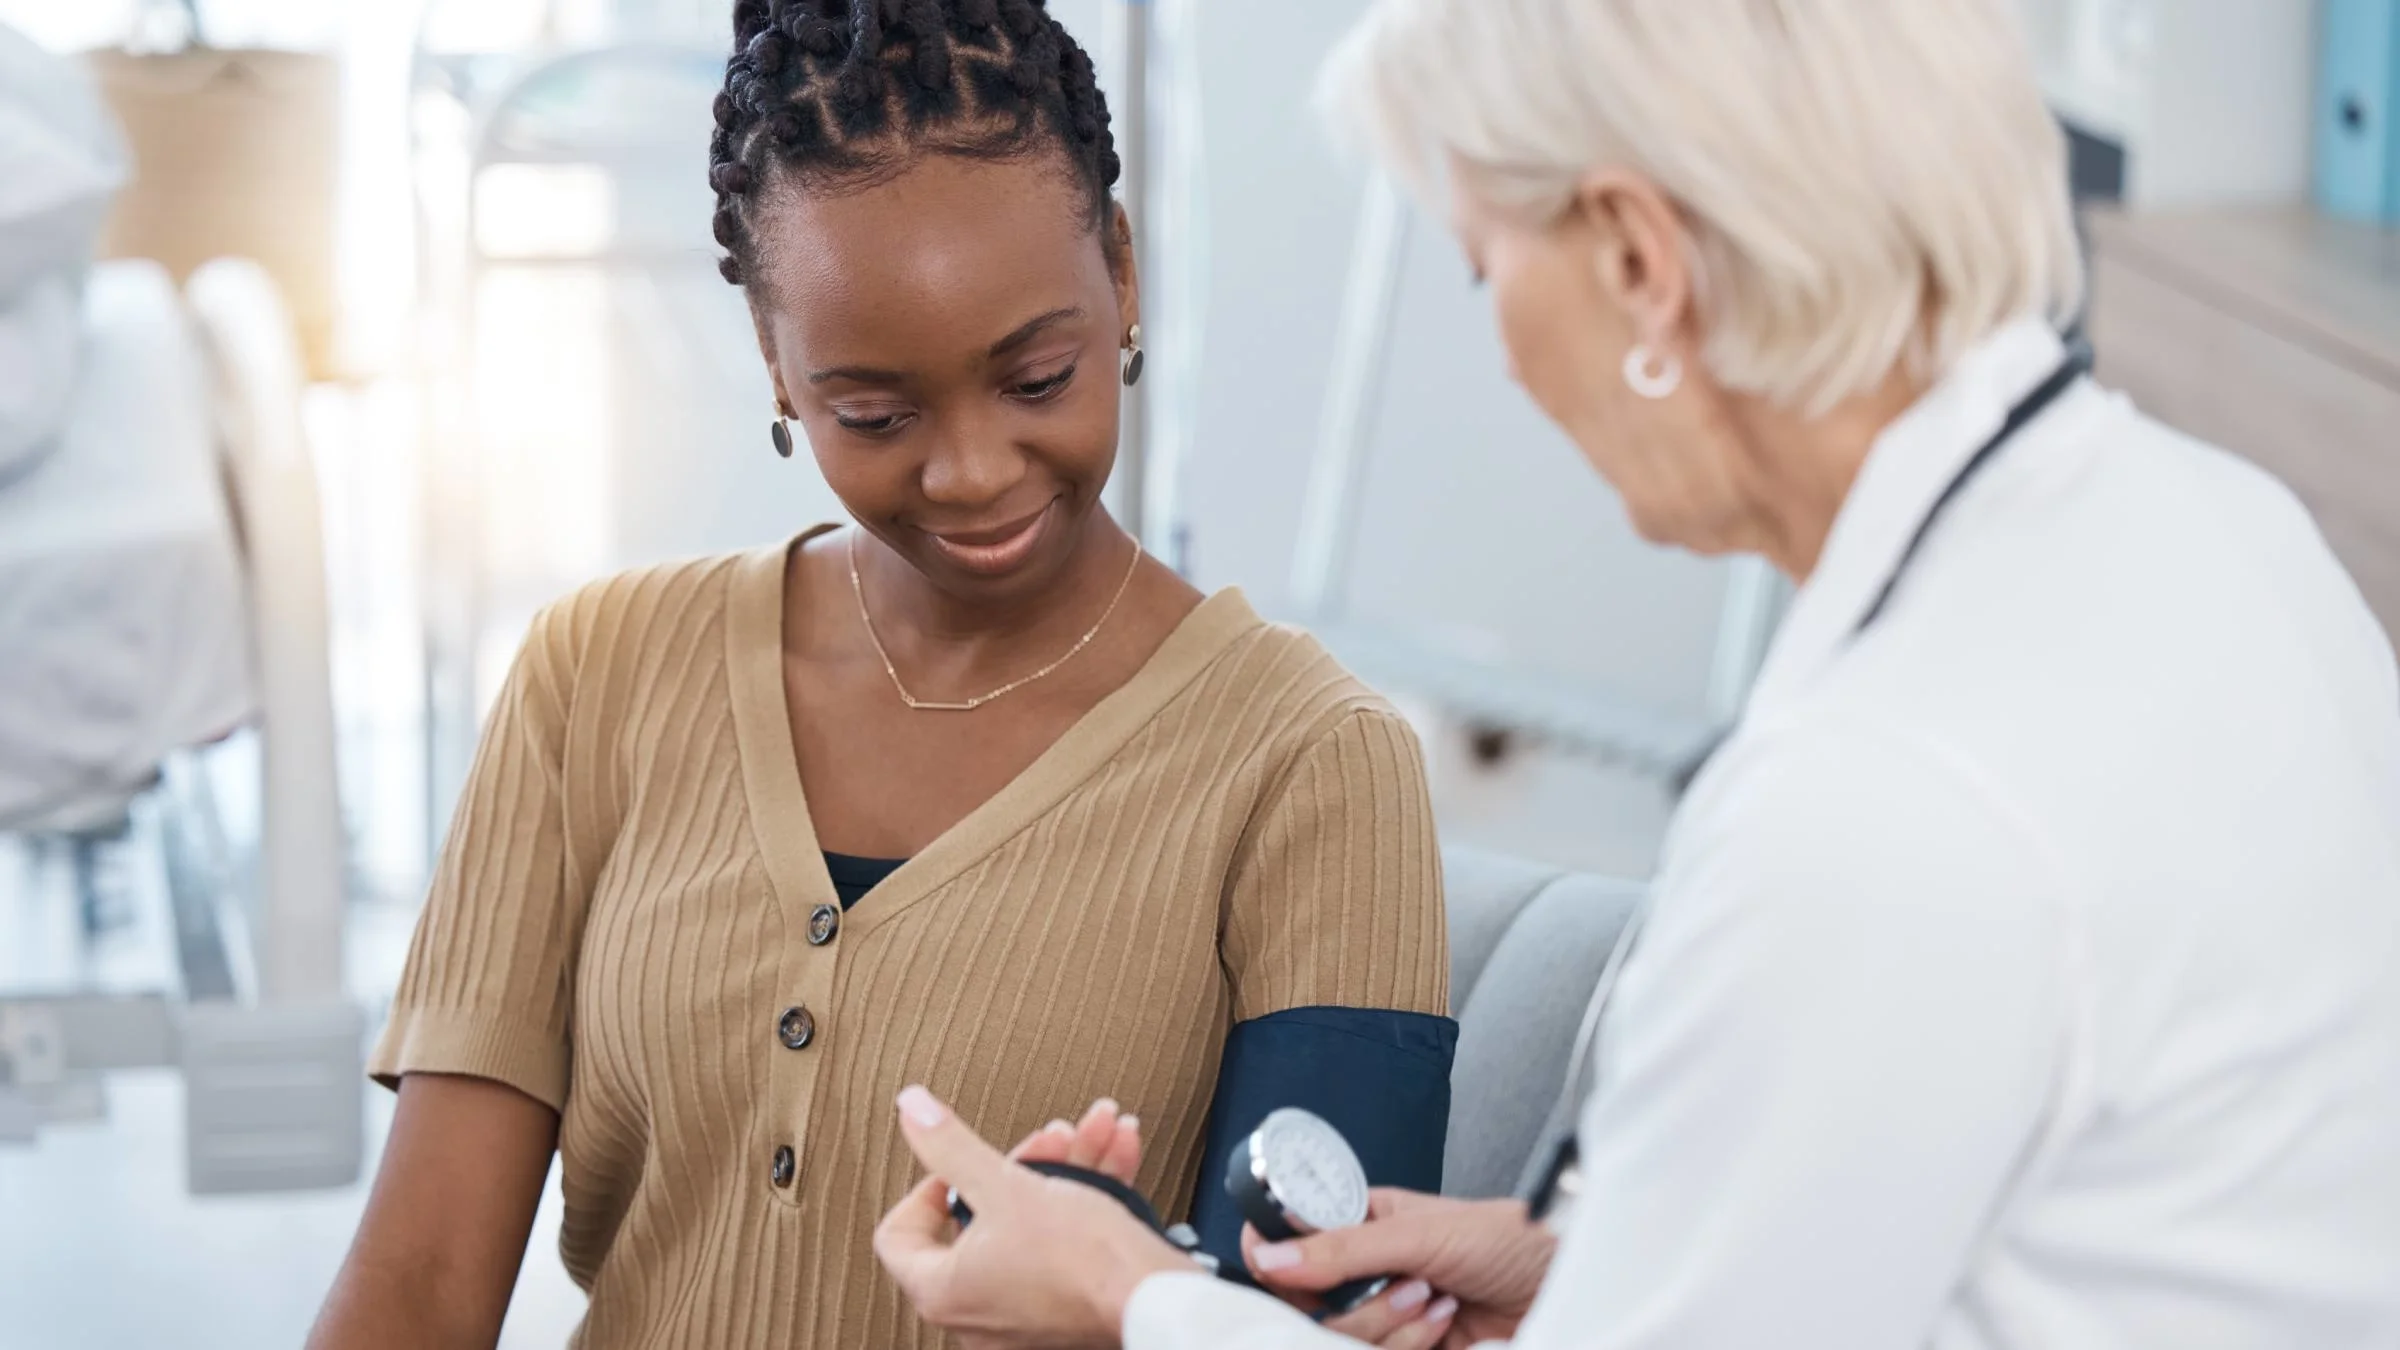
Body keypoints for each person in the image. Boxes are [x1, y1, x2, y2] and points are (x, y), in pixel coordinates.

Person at [868, 0, 2400, 1346]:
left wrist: (1127, 1297)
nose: (1513, 361)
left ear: (1638, 262)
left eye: (1484, 271)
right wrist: (1600, 1264)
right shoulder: (2224, 525)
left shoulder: (1881, 810)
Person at [307, 3, 1456, 1347]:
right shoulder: (596, 674)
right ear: (775, 362)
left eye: (1037, 378)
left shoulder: (1312, 762)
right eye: (876, 414)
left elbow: (1319, 1335)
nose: (971, 471)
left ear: (1124, 277)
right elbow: (421, 1284)